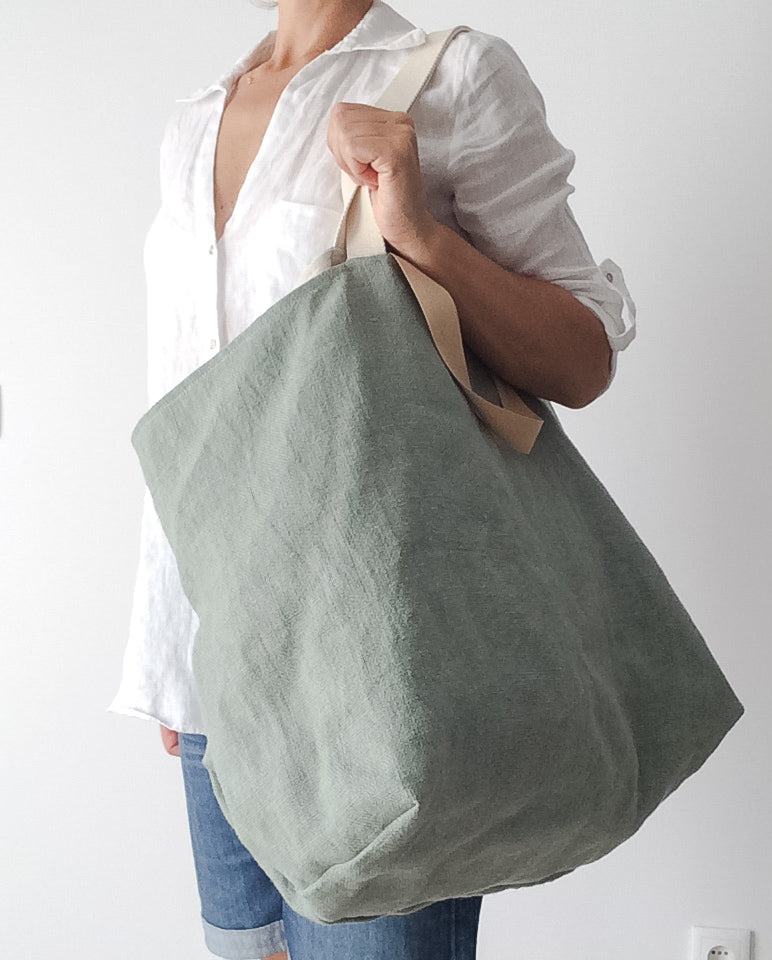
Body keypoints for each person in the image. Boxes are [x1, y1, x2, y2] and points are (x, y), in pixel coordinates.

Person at [109, 0, 636, 957]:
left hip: (382, 671)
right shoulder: (194, 120)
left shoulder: (450, 76)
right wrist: (172, 647)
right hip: (220, 669)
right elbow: (193, 401)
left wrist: (419, 232)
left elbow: (583, 355)